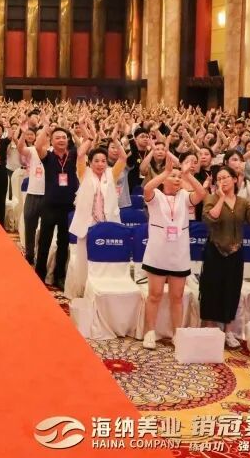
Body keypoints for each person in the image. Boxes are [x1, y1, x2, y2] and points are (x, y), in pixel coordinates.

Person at [141, 153, 206, 349]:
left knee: (177, 297)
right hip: (158, 254)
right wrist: (165, 172)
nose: (177, 179)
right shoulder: (156, 196)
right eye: (173, 176)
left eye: (179, 177)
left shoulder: (185, 197)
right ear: (164, 179)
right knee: (155, 295)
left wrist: (188, 175)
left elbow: (201, 193)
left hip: (179, 254)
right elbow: (147, 188)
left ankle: (177, 333)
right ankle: (150, 332)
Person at [200, 166, 250, 348]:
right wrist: (220, 198)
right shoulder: (211, 198)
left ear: (235, 179)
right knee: (211, 289)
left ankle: (228, 330)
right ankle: (210, 328)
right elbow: (210, 218)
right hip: (215, 250)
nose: (222, 181)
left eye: (226, 177)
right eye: (219, 178)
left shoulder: (243, 202)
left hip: (236, 252)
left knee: (232, 290)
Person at [65, 121, 127, 299]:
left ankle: (104, 289)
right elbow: (80, 154)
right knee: (85, 260)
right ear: (90, 162)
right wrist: (89, 138)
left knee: (105, 258)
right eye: (96, 161)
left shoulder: (111, 173)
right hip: (88, 223)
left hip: (108, 223)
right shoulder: (83, 173)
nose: (100, 164)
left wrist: (115, 141)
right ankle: (83, 290)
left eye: (103, 161)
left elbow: (123, 158)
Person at [34, 125, 80, 287]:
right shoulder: (48, 156)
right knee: (44, 242)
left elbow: (86, 144)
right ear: (52, 141)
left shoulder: (73, 155)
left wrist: (79, 129)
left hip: (68, 206)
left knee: (63, 243)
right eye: (57, 138)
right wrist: (46, 128)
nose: (61, 140)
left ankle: (59, 276)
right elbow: (37, 146)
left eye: (64, 137)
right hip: (49, 205)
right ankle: (39, 274)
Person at [17, 127, 45, 266]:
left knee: (45, 229)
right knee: (30, 226)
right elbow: (20, 148)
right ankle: (29, 255)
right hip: (33, 193)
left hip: (47, 195)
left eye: (43, 135)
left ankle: (42, 256)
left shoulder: (53, 151)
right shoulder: (32, 150)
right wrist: (23, 133)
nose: (40, 138)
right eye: (37, 135)